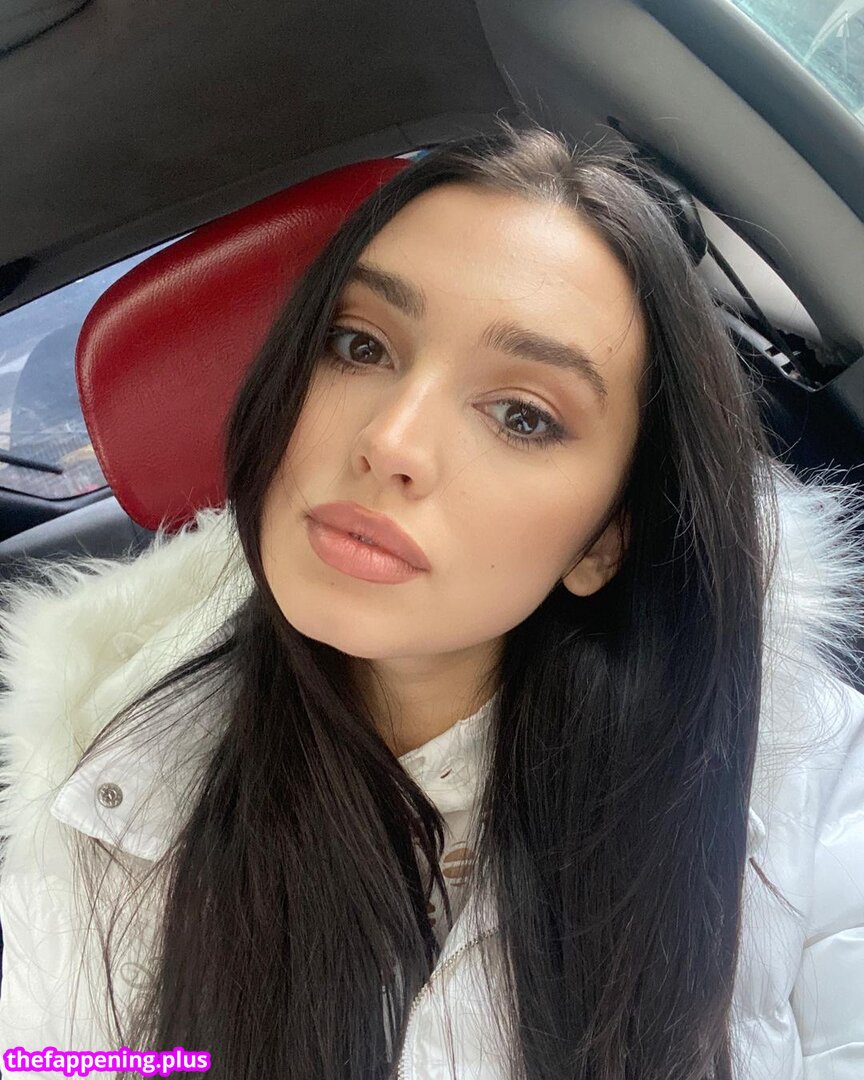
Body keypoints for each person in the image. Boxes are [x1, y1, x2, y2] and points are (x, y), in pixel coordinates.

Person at [0, 121, 862, 1080]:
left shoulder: (808, 783)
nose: (391, 442)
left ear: (604, 541)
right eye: (359, 345)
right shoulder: (85, 780)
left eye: (523, 415)